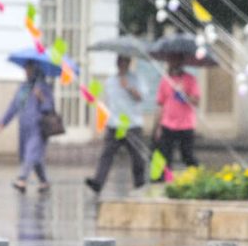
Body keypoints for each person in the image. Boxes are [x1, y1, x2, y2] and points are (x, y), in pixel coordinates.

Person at [85, 54, 148, 194]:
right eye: (119, 61)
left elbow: (141, 97)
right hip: (114, 124)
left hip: (132, 124)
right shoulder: (110, 81)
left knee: (137, 157)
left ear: (129, 63)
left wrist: (129, 87)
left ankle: (140, 184)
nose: (121, 64)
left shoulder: (136, 79)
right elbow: (108, 102)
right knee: (106, 154)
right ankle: (98, 182)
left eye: (124, 61)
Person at [0, 61, 55, 193]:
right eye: (26, 69)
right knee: (31, 156)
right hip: (24, 127)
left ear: (36, 70)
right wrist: (3, 121)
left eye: (30, 69)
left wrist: (41, 98)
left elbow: (49, 107)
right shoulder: (23, 87)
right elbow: (14, 106)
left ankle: (22, 179)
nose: (27, 72)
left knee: (31, 152)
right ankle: (44, 181)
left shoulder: (43, 87)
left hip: (38, 127)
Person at [153, 52, 201, 173]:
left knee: (187, 155)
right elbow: (161, 104)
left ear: (181, 62)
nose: (173, 63)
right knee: (165, 156)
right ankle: (166, 180)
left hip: (186, 125)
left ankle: (198, 176)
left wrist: (184, 94)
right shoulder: (165, 80)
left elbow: (196, 101)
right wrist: (157, 126)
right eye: (171, 60)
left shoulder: (190, 79)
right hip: (168, 124)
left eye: (176, 60)